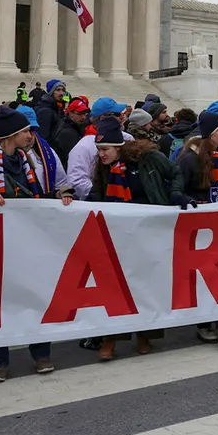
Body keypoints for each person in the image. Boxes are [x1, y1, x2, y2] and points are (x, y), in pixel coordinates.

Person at [0, 107, 72, 381]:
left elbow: (37, 194)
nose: (30, 136)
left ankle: (41, 353)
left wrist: (60, 193)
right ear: (11, 135)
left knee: (35, 296)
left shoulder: (28, 161)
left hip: (28, 239)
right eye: (26, 131)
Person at [89, 118, 185, 359]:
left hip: (148, 231)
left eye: (105, 150)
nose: (101, 155)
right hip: (117, 234)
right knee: (115, 287)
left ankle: (144, 335)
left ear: (119, 147)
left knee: (145, 285)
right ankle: (111, 339)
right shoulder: (103, 167)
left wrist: (174, 194)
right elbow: (97, 193)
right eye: (99, 150)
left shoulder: (148, 158)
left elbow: (175, 173)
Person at [176, 111, 218, 349]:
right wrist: (192, 202)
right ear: (208, 134)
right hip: (199, 226)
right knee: (205, 277)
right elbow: (176, 190)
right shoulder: (189, 159)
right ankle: (204, 322)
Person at [67, 97, 129, 199]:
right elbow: (76, 182)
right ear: (104, 118)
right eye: (118, 114)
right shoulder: (83, 147)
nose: (123, 117)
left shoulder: (127, 138)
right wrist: (105, 194)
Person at [54, 97, 90, 168]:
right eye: (80, 114)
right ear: (71, 114)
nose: (83, 117)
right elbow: (74, 159)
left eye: (84, 114)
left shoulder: (77, 127)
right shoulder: (67, 133)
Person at [35, 79, 67, 146]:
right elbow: (43, 137)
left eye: (63, 90)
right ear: (51, 92)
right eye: (58, 90)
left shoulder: (56, 107)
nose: (61, 93)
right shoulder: (45, 110)